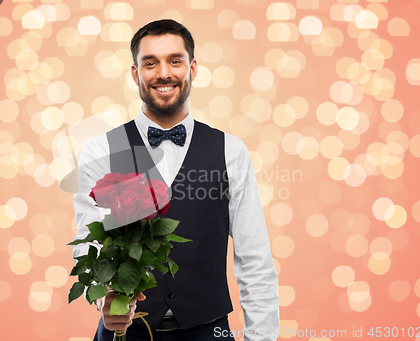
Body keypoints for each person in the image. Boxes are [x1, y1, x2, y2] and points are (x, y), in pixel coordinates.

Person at [72, 19, 279, 341]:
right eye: (150, 63)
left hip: (209, 330)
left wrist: (261, 337)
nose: (163, 73)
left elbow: (254, 256)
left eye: (175, 60)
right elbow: (92, 241)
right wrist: (108, 302)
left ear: (192, 69)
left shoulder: (230, 151)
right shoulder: (102, 149)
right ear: (135, 73)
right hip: (126, 333)